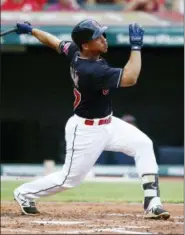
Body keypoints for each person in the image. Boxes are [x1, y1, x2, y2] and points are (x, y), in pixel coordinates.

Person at [13, 19, 170, 220]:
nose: (104, 40)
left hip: (108, 123)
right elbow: (131, 77)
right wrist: (136, 47)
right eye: (98, 37)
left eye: (102, 35)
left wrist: (31, 30)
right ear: (86, 45)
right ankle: (24, 193)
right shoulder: (90, 71)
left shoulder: (77, 53)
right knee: (69, 179)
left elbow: (54, 42)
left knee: (143, 144)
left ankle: (152, 202)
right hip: (86, 130)